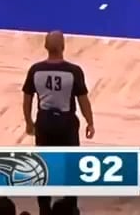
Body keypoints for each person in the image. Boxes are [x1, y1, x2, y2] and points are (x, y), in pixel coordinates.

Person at [23, 30, 94, 215]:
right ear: (63, 46)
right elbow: (83, 100)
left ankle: (44, 209)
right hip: (66, 124)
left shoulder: (35, 70)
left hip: (44, 123)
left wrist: (29, 122)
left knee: (43, 168)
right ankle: (70, 208)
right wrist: (90, 122)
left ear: (45, 46)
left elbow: (27, 99)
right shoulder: (73, 71)